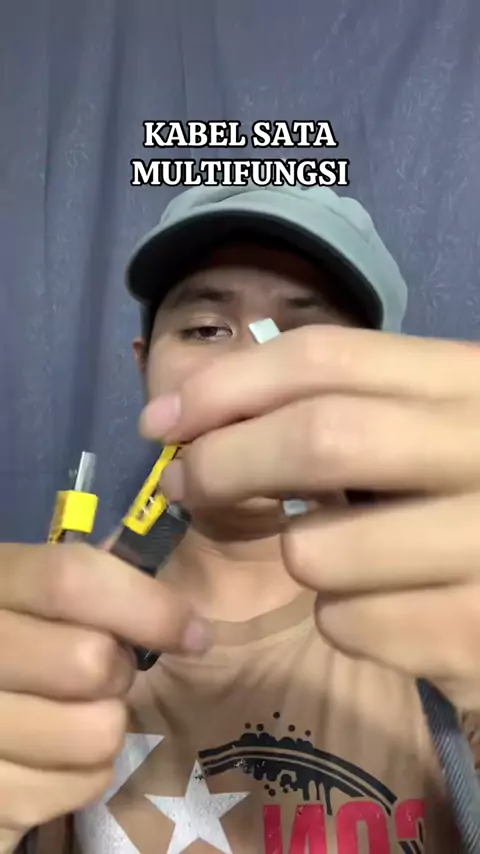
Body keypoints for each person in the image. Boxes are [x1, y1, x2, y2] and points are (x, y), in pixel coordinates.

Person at [1, 183, 479, 854]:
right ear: (144, 365)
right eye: (205, 329)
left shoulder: (451, 630)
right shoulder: (49, 648)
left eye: (303, 335)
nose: (255, 362)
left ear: (380, 375)